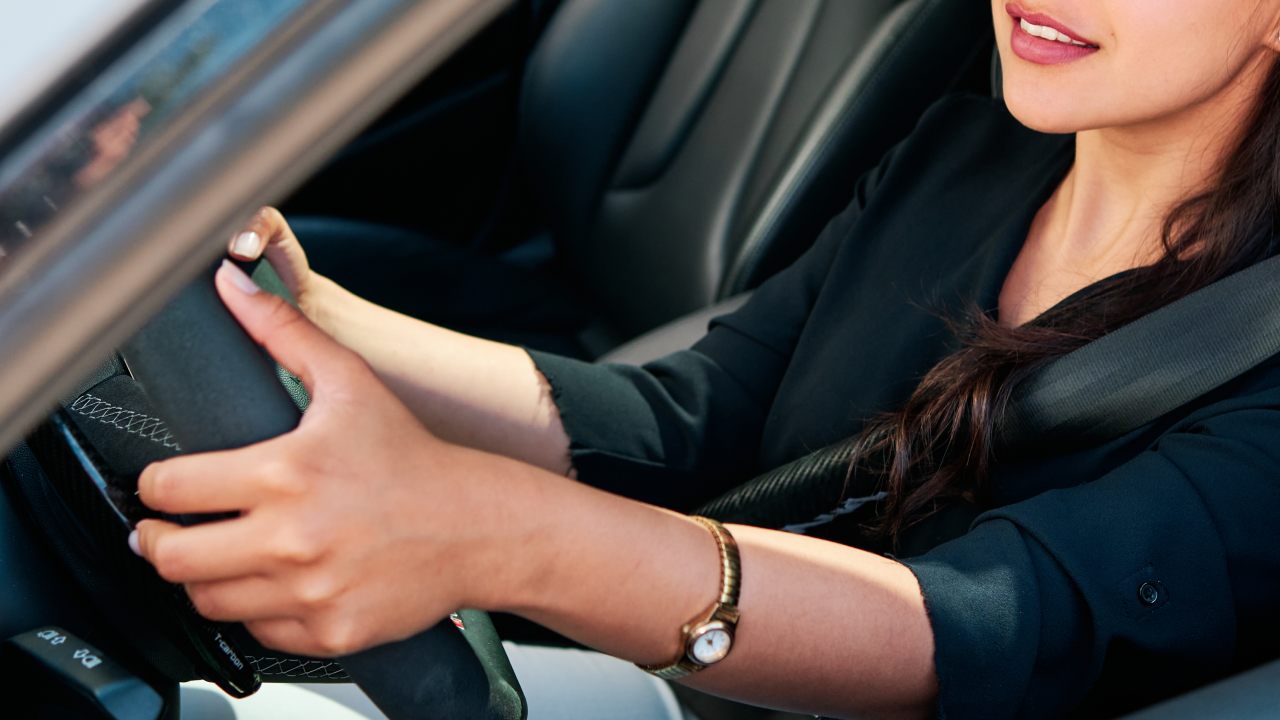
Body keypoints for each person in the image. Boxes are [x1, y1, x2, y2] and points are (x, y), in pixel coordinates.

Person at [129, 2, 1280, 717]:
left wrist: (499, 537)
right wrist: (304, 307)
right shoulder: (964, 153)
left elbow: (982, 627)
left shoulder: (1255, 356)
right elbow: (690, 422)